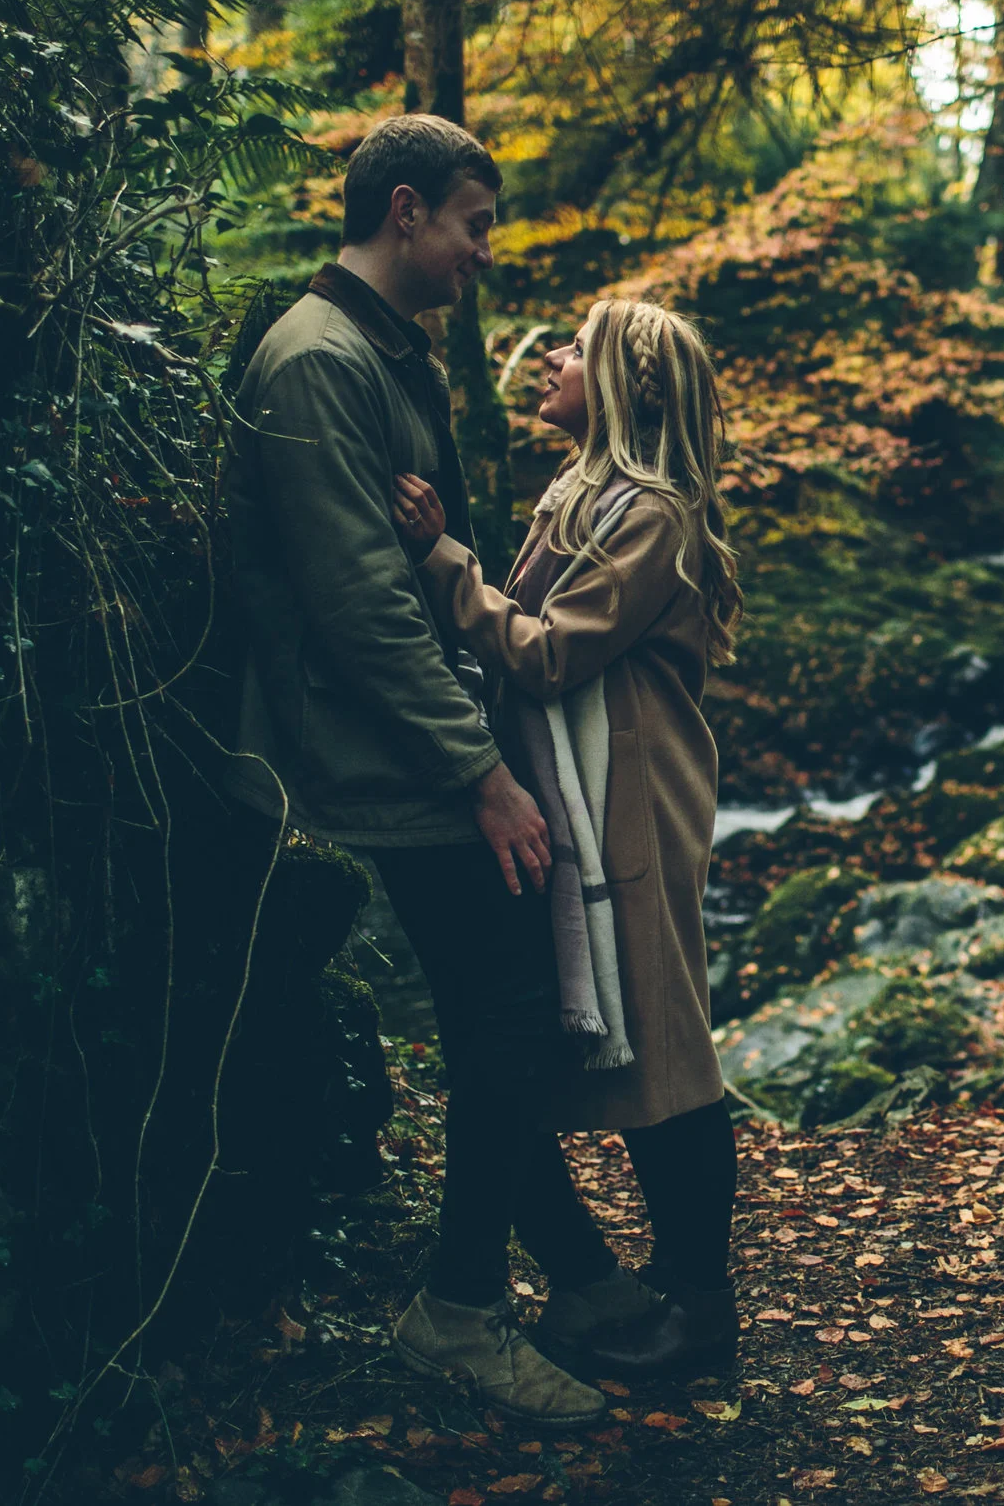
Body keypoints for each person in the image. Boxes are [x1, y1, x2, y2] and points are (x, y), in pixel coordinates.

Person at [221, 112, 616, 1426]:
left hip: (416, 737)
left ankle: (565, 1274)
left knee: (491, 1008)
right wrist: (479, 774)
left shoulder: (387, 350)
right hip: (378, 749)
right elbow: (355, 605)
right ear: (404, 211)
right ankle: (461, 1309)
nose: (482, 252)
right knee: (502, 1005)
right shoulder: (315, 359)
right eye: (472, 224)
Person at [390, 296, 744, 1381]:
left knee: (668, 1048)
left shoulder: (654, 512)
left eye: (578, 348)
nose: (550, 356)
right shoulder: (583, 494)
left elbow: (547, 655)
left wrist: (442, 560)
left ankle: (698, 1305)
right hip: (590, 791)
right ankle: (619, 1283)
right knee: (590, 1039)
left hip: (633, 798)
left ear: (632, 387)